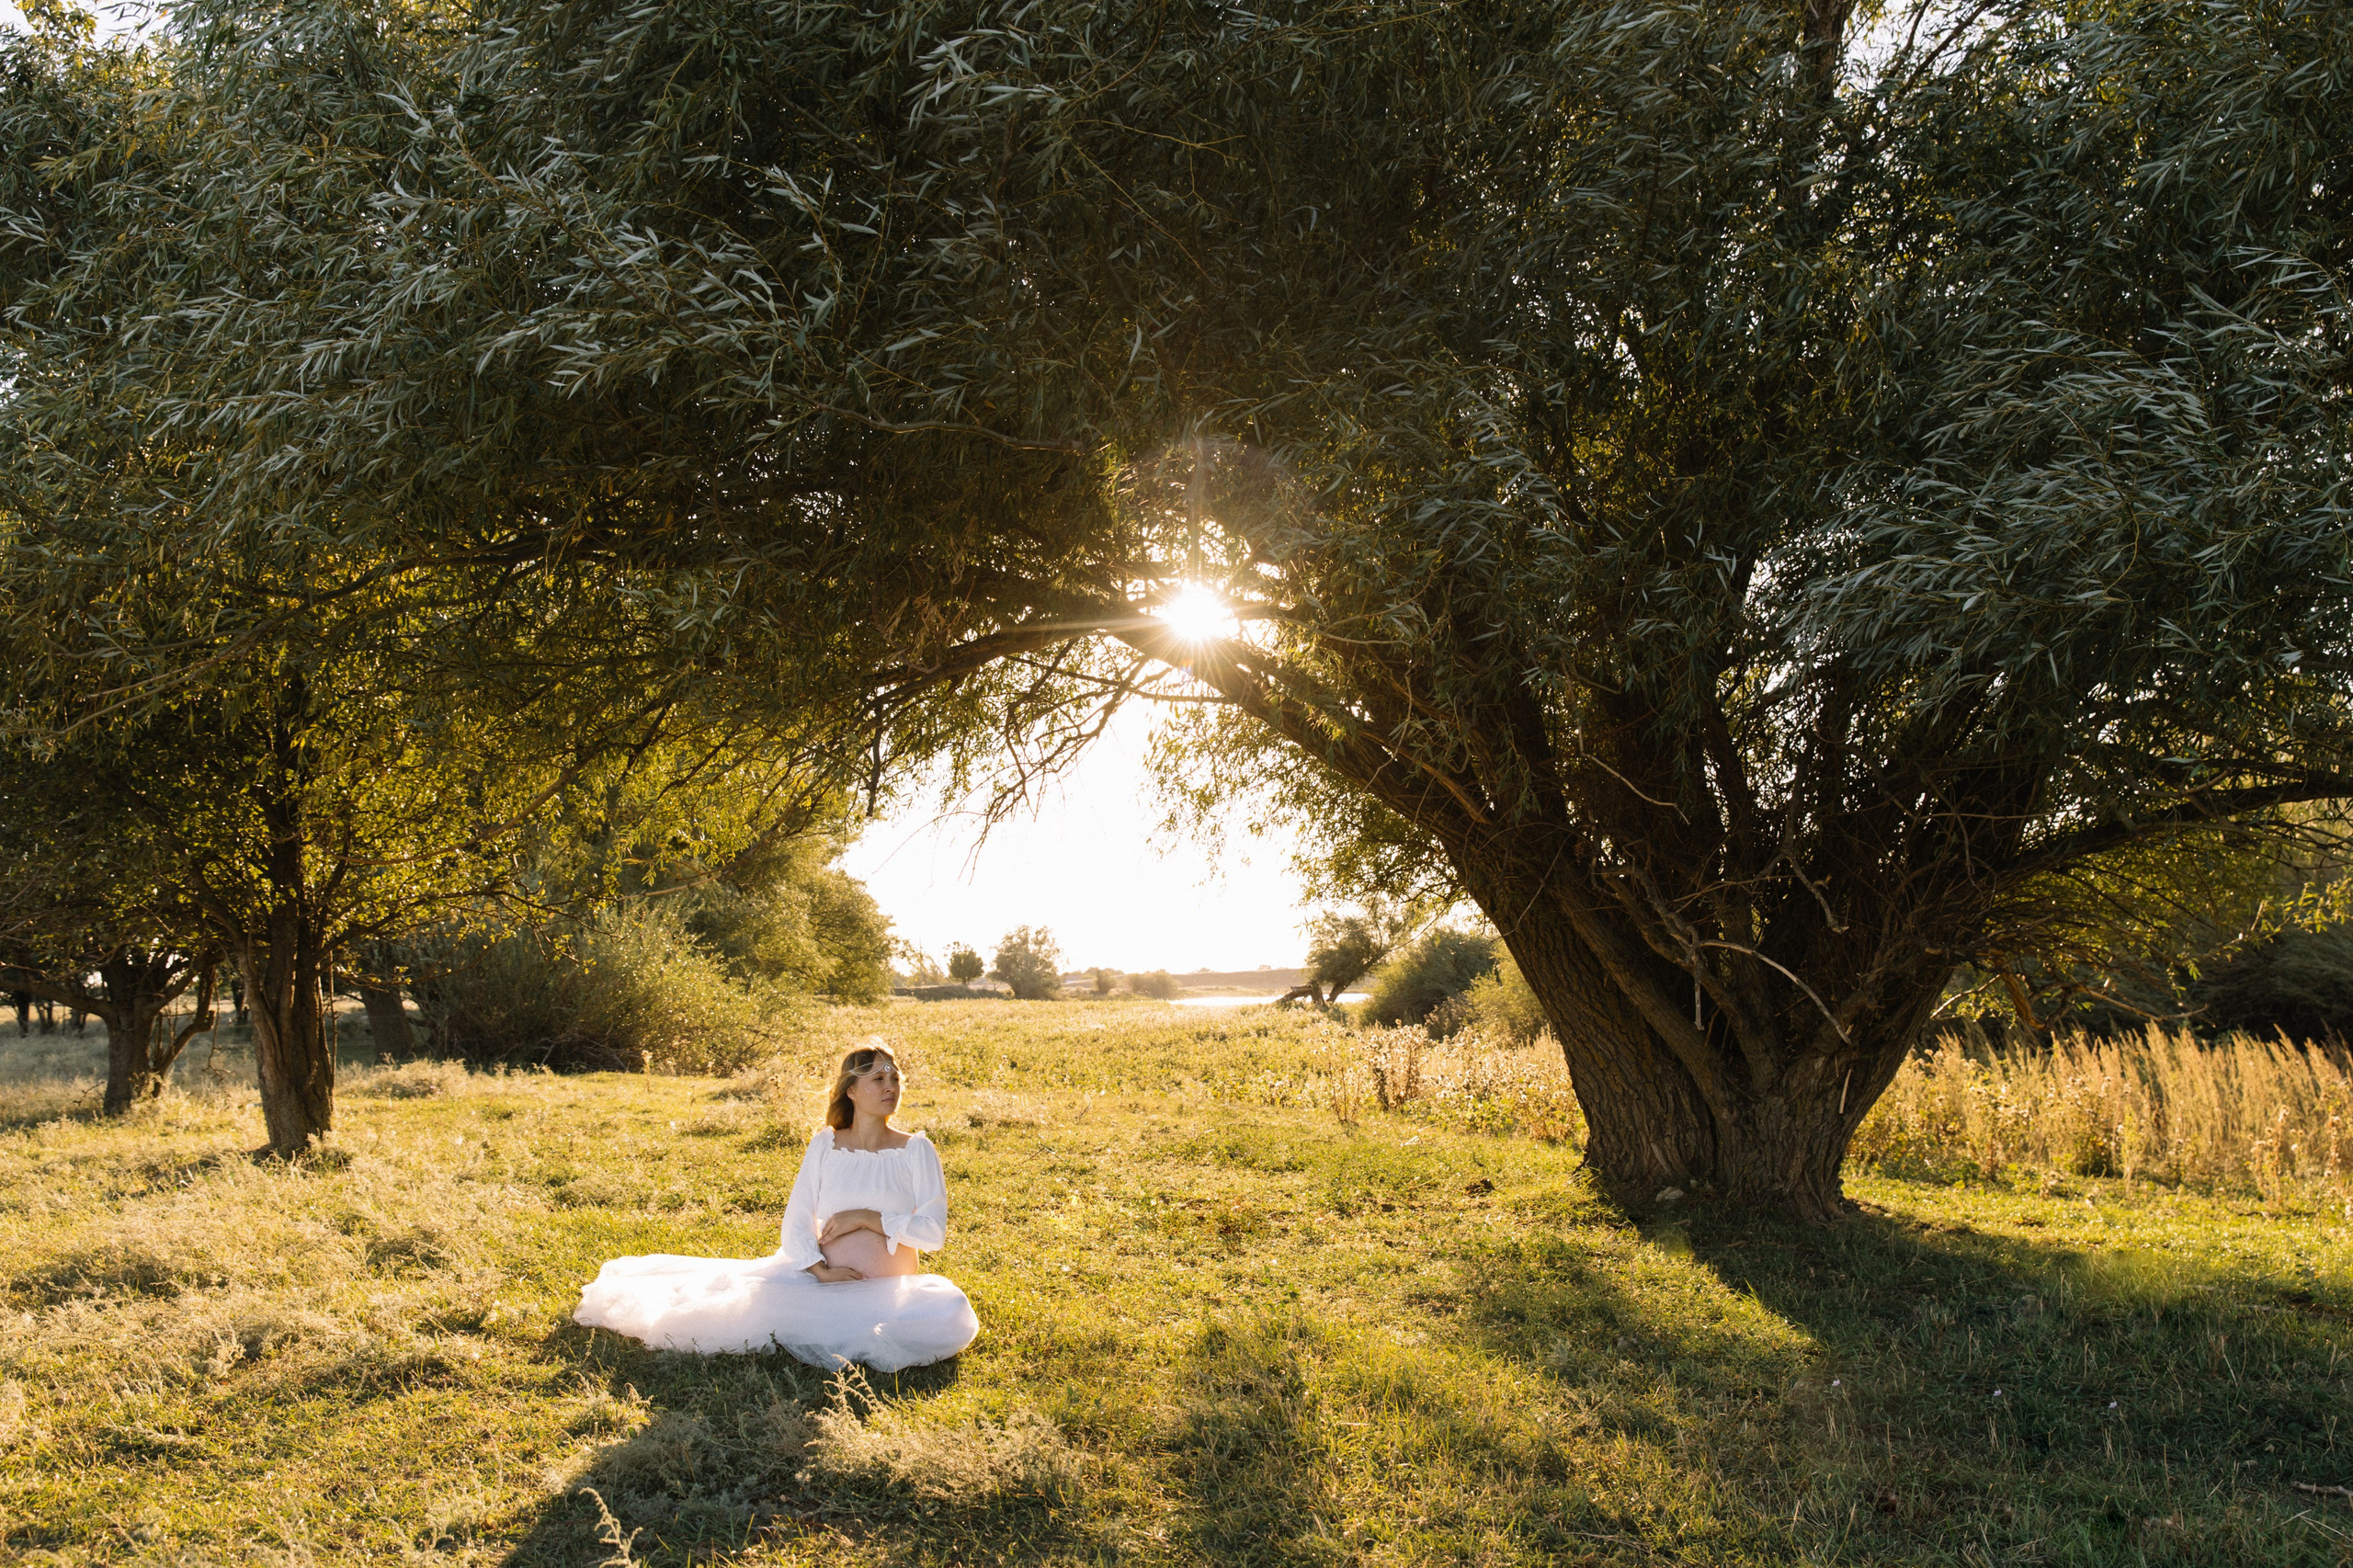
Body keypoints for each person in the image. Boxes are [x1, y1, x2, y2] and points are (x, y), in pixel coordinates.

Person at [573, 1043, 978, 1370]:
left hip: (891, 1292)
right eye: (877, 1078)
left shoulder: (915, 1150)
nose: (890, 1086)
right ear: (851, 1091)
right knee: (725, 1315)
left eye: (894, 1078)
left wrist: (867, 1218)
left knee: (952, 1311)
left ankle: (852, 1327)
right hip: (818, 1285)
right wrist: (821, 1271)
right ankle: (833, 1321)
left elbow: (932, 1231)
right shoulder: (827, 1144)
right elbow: (798, 1215)